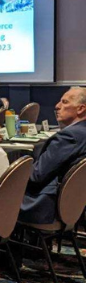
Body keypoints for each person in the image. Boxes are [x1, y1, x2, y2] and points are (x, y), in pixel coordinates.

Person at [18, 87, 86, 225]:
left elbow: (36, 176)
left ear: (81, 109)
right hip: (72, 204)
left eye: (64, 102)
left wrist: (12, 173)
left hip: (46, 205)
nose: (57, 106)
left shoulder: (70, 136)